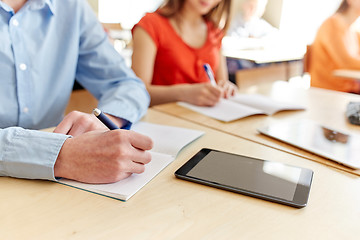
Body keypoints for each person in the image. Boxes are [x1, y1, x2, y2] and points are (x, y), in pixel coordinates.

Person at [0, 0, 153, 184]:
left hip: (57, 183)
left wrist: (104, 121)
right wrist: (60, 156)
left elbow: (126, 84)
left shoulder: (71, 6)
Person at [131, 0, 237, 107]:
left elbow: (222, 82)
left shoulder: (215, 31)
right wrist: (183, 94)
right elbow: (136, 91)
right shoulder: (151, 24)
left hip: (205, 119)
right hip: (162, 117)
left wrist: (226, 88)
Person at [309, 0, 360, 93]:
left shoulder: (354, 32)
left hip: (351, 87)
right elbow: (346, 62)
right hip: (332, 90)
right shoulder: (332, 24)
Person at [225, 0, 278, 81]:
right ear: (244, 5)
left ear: (262, 10)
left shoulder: (261, 25)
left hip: (256, 68)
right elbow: (228, 42)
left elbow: (274, 38)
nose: (252, 9)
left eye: (256, 7)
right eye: (250, 5)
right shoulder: (232, 21)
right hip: (237, 68)